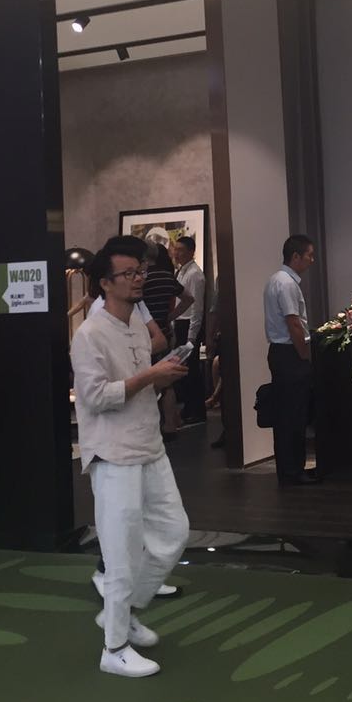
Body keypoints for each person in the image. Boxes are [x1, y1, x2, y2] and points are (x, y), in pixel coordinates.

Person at [72, 239, 191, 677]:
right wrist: (150, 376)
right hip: (113, 454)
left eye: (140, 271)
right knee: (120, 553)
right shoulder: (89, 334)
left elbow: (140, 385)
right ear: (105, 283)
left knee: (174, 532)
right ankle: (114, 647)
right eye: (129, 273)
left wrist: (163, 376)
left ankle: (122, 613)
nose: (138, 279)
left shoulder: (138, 325)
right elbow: (95, 397)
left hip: (149, 445)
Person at [263, 234, 320, 485]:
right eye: (309, 255)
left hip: (280, 353)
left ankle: (289, 469)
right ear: (296, 256)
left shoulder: (276, 280)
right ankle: (293, 471)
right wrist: (304, 354)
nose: (312, 260)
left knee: (287, 415)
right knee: (293, 415)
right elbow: (293, 323)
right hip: (289, 355)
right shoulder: (286, 284)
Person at [142, 242, 185, 436]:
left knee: (148, 380)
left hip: (147, 336)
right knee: (167, 381)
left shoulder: (143, 278)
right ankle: (171, 423)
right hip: (166, 332)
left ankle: (155, 425)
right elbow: (189, 298)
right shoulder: (168, 277)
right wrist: (170, 316)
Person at [171, 235, 206, 425]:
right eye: (175, 249)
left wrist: (192, 336)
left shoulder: (195, 274)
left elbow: (196, 308)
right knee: (183, 370)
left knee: (191, 371)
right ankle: (188, 408)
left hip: (189, 325)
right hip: (180, 324)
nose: (176, 253)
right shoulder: (180, 272)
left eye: (181, 250)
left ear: (191, 252)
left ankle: (197, 411)